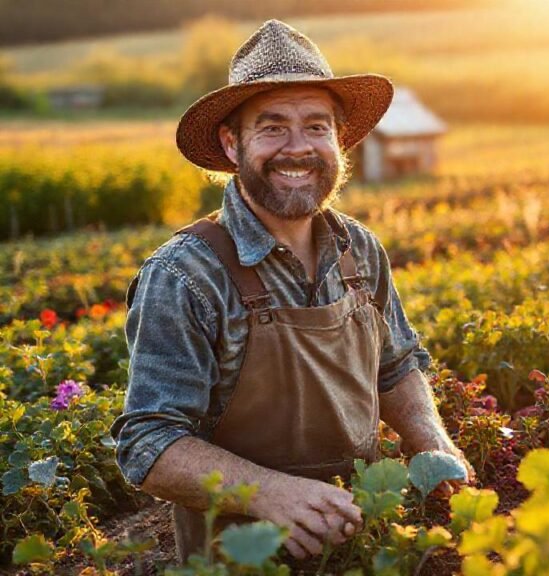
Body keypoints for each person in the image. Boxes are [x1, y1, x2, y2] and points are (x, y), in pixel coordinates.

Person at [110, 19, 473, 564]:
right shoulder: (185, 275)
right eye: (272, 128)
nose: (297, 148)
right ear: (232, 145)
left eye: (316, 127)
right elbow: (148, 442)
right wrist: (270, 494)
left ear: (339, 140)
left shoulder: (360, 249)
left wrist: (431, 440)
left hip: (361, 535)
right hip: (241, 557)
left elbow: (395, 365)